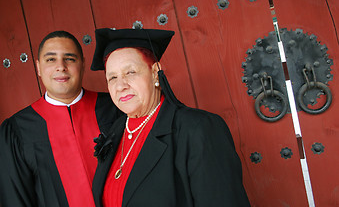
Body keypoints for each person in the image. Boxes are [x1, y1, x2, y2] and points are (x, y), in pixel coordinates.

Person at [90, 28, 251, 207]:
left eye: (130, 72)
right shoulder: (116, 131)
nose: (120, 86)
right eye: (112, 78)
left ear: (155, 72)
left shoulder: (198, 129)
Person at [0, 31, 121, 207]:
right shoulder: (17, 131)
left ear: (82, 64)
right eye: (51, 59)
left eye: (70, 58)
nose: (61, 67)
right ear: (38, 68)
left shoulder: (115, 108)